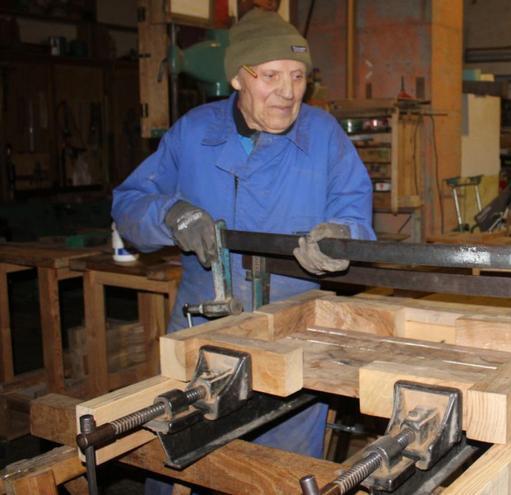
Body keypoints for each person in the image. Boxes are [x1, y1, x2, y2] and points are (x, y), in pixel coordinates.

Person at [112, 8, 374, 493]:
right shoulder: (194, 133)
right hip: (202, 333)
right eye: (270, 75)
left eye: (298, 76)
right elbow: (129, 203)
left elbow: (358, 219)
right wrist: (170, 214)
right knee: (177, 464)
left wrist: (341, 237)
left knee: (279, 473)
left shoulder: (324, 138)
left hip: (295, 340)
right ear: (236, 76)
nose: (288, 91)